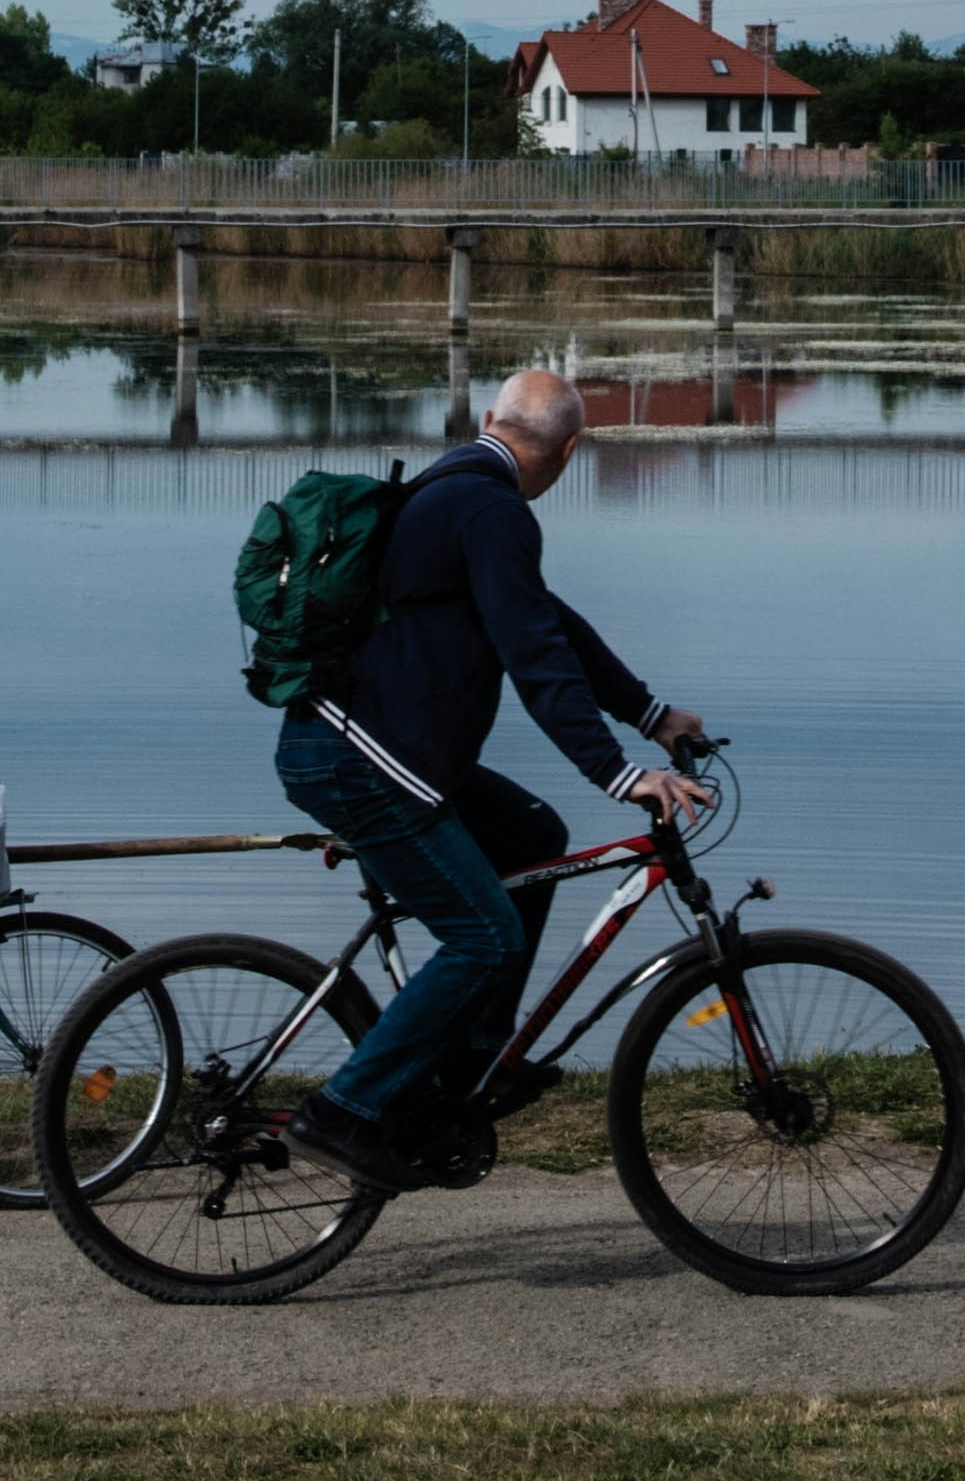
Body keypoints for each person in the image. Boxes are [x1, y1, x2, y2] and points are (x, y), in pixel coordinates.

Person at [270, 366, 712, 1185]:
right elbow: (535, 658)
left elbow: (542, 619)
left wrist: (647, 714)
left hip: (372, 753)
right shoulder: (489, 508)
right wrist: (621, 775)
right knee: (484, 935)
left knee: (534, 836)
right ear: (572, 450)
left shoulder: (459, 487)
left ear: (488, 418)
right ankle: (343, 1113)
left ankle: (473, 1055)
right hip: (362, 762)